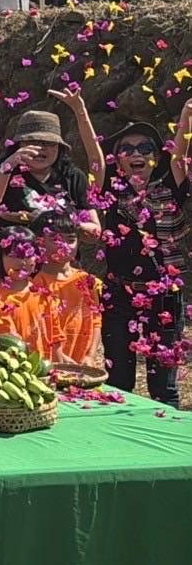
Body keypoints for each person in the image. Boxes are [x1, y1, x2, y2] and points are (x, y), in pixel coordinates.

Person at [95, 105, 190, 404]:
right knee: (119, 381)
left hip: (164, 297)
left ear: (156, 156)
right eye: (126, 148)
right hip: (119, 295)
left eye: (146, 147)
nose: (136, 153)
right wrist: (80, 109)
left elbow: (180, 155)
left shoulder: (171, 190)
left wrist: (186, 112)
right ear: (118, 160)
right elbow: (94, 160)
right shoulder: (110, 194)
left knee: (164, 388)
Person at [0, 109, 98, 277]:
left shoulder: (72, 176)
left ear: (59, 147)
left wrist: (59, 224)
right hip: (12, 271)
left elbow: (94, 232)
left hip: (59, 272)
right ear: (19, 145)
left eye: (49, 143)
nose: (41, 148)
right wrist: (10, 164)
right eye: (33, 142)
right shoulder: (5, 168)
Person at [30, 211, 102, 368]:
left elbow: (96, 321)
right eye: (56, 240)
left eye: (70, 240)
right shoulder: (35, 285)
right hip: (49, 363)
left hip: (83, 362)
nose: (64, 246)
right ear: (39, 242)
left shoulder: (86, 280)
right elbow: (37, 331)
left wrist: (90, 355)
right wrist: (60, 357)